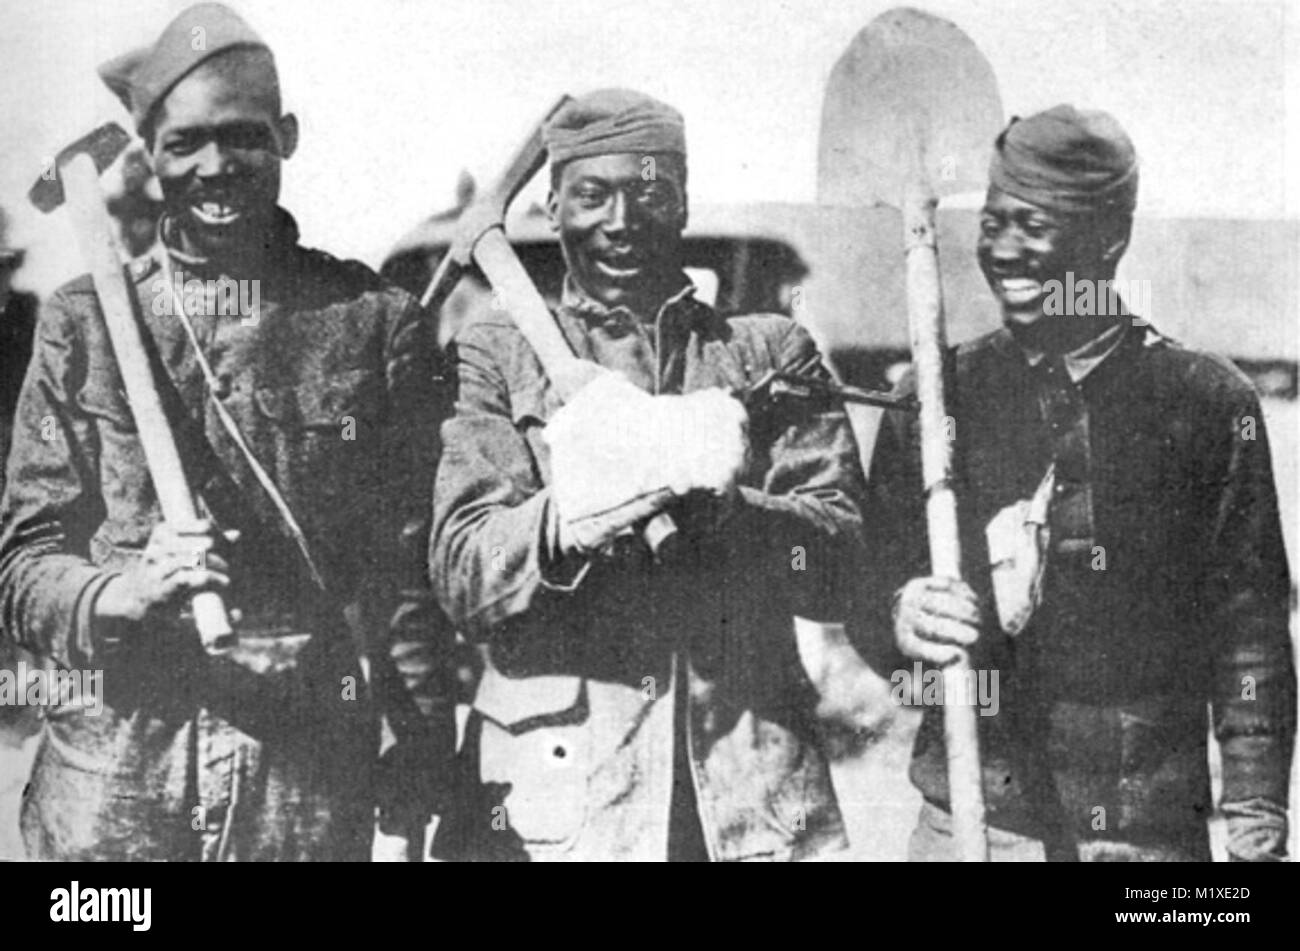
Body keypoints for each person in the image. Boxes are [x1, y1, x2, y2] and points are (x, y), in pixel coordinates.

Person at [0, 2, 451, 860]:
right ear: (150, 155)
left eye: (242, 136)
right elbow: (20, 566)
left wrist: (424, 745)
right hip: (116, 781)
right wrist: (123, 590)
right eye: (183, 144)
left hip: (302, 780)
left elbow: (404, 573)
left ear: (286, 135)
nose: (215, 165)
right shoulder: (84, 322)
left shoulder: (370, 321)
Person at [429, 88, 867, 861]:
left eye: (649, 191)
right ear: (553, 204)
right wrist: (567, 521)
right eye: (592, 195)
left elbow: (840, 567)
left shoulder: (768, 352)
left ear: (684, 202)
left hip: (747, 795)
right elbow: (465, 576)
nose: (621, 220)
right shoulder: (497, 352)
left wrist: (732, 509)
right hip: (558, 798)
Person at [866, 105, 1295, 861]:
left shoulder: (1205, 402)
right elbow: (865, 601)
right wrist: (901, 615)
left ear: (1110, 239)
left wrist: (1256, 823)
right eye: (993, 221)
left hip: (1147, 844)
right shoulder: (936, 398)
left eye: (1035, 227)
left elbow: (1249, 635)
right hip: (973, 830)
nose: (1003, 249)